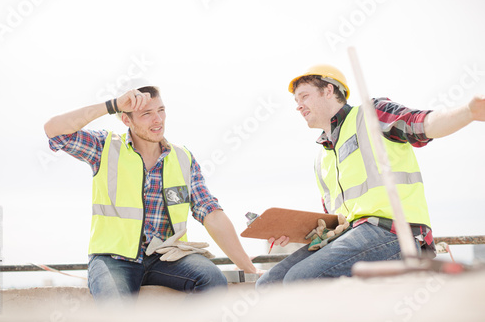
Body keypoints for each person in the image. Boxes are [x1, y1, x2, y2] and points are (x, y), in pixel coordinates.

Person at [256, 64, 485, 286]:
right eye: (296, 101)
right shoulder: (321, 159)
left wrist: (468, 112)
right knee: (268, 284)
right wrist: (294, 231)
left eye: (304, 96)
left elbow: (421, 124)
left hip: (394, 233)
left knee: (300, 279)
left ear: (328, 90)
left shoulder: (371, 114)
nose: (299, 105)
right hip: (351, 235)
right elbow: (332, 222)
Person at [44, 86, 261, 304]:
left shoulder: (183, 158)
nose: (158, 120)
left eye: (161, 110)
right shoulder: (105, 148)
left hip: (167, 257)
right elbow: (54, 130)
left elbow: (211, 213)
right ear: (126, 120)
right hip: (114, 259)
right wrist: (114, 105)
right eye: (147, 114)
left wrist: (248, 268)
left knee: (212, 280)